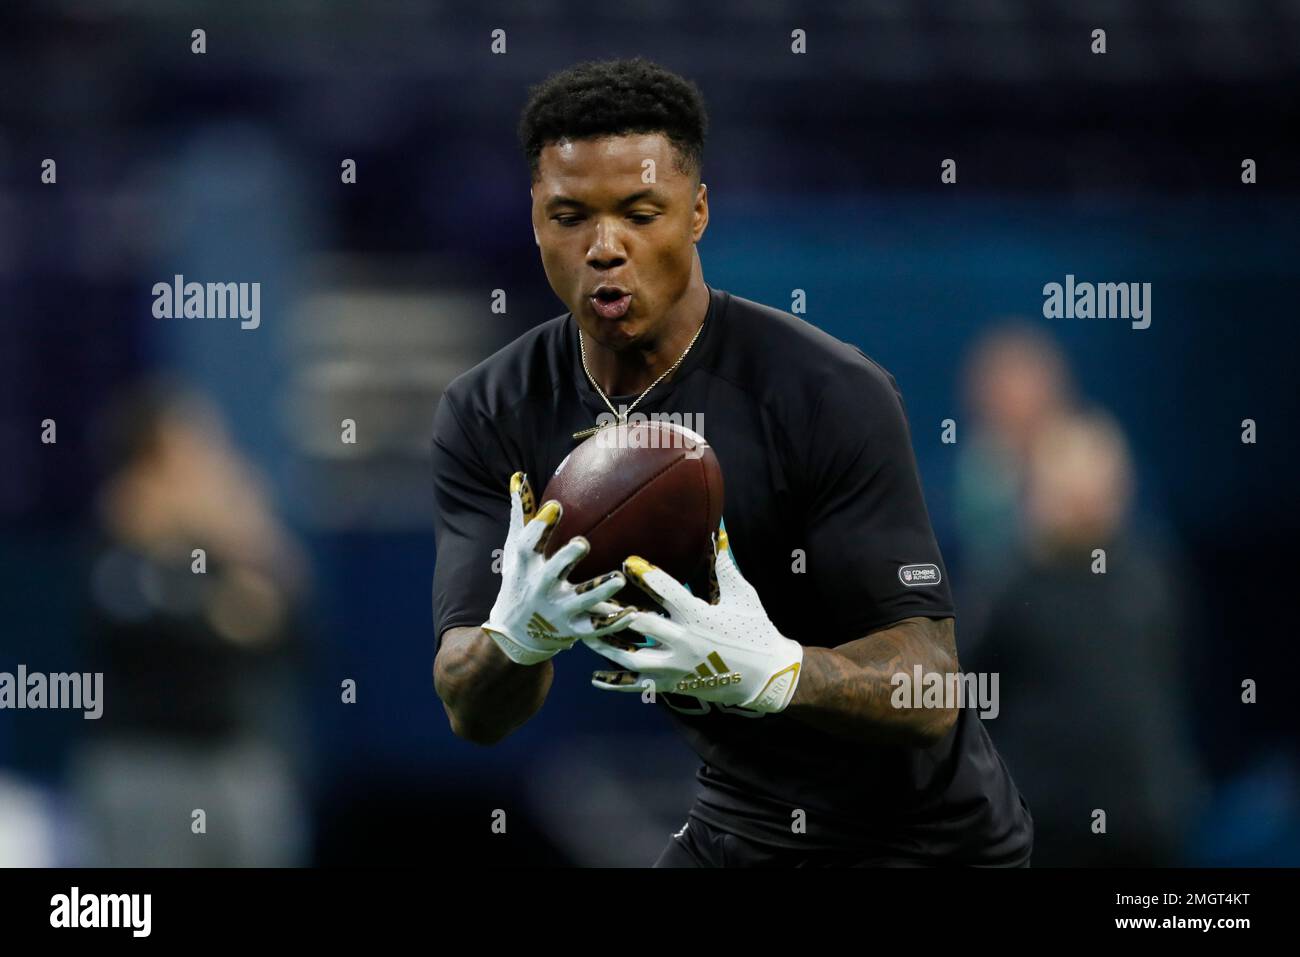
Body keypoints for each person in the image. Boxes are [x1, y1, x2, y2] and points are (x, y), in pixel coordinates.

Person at [431, 57, 1032, 867]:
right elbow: (475, 711)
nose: (605, 247)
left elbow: (930, 686)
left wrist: (779, 671)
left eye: (641, 212)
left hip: (924, 843)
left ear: (699, 212)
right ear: (535, 219)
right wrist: (518, 637)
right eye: (570, 215)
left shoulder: (826, 390)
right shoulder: (492, 410)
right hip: (741, 821)